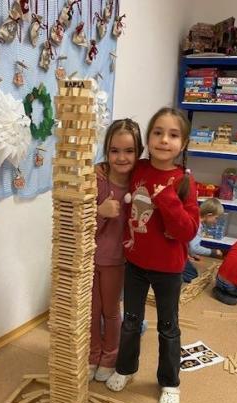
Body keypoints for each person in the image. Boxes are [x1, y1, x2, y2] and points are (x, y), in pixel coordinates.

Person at [105, 107, 200, 403]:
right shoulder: (140, 168)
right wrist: (97, 170)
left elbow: (188, 230)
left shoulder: (184, 182)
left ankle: (170, 382)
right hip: (135, 263)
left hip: (169, 269)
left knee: (168, 327)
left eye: (173, 135)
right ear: (148, 138)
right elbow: (116, 166)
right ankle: (125, 368)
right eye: (158, 132)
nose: (164, 140)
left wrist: (167, 199)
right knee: (131, 322)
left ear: (183, 144)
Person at [89, 118, 144, 382]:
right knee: (91, 311)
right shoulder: (96, 180)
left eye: (129, 151)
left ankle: (110, 356)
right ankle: (92, 355)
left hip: (116, 261)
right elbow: (78, 220)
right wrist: (100, 212)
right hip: (89, 258)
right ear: (106, 152)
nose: (121, 157)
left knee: (111, 311)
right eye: (114, 150)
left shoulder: (139, 184)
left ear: (139, 152)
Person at [183, 197, 224, 283]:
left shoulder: (194, 218)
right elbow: (194, 248)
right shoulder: (197, 225)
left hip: (176, 249)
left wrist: (191, 254)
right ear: (209, 215)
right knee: (192, 276)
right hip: (174, 254)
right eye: (216, 218)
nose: (216, 222)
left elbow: (188, 242)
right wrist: (213, 252)